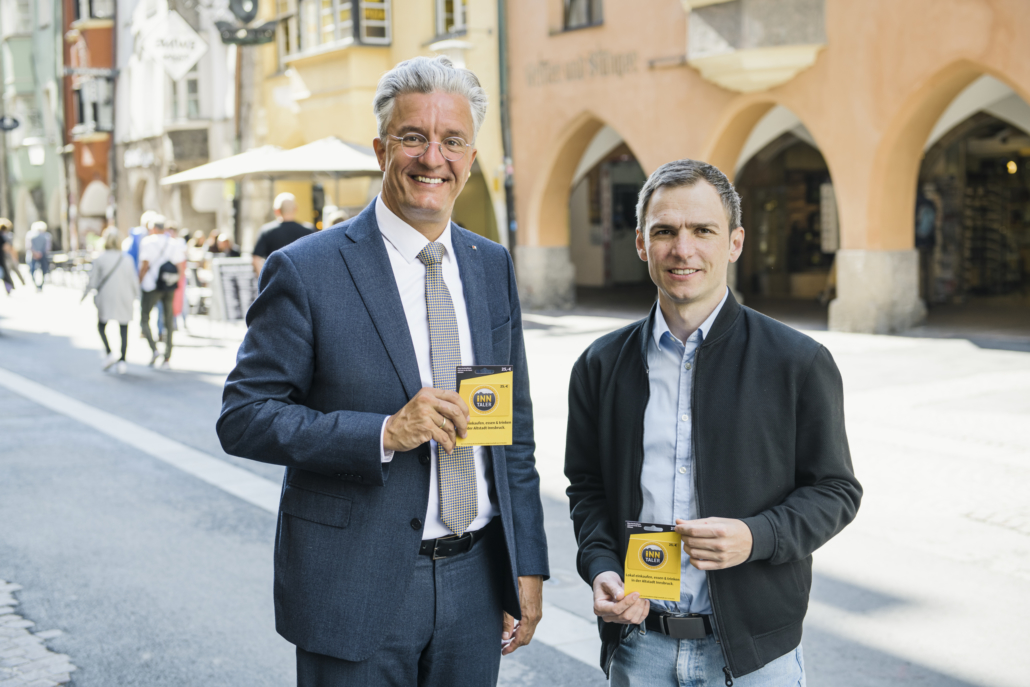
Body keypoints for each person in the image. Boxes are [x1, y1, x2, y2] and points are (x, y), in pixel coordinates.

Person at [216, 55, 548, 686]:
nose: (433, 158)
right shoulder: (306, 268)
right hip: (353, 582)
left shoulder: (489, 264)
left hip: (476, 579)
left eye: (452, 141)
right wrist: (384, 432)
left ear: (471, 157)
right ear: (381, 149)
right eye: (413, 138)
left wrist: (526, 563)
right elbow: (244, 417)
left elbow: (515, 428)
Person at [564, 159, 862, 685]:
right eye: (665, 231)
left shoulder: (798, 362)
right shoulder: (599, 365)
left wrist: (757, 536)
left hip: (752, 659)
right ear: (641, 243)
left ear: (735, 242)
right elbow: (587, 489)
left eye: (703, 230)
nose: (683, 249)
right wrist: (602, 567)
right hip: (640, 649)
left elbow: (836, 490)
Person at [85, 227, 139, 374]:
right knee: (124, 328)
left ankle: (109, 353)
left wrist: (85, 294)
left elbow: (93, 280)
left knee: (102, 325)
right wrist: (137, 296)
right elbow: (134, 281)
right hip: (124, 297)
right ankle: (122, 360)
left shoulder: (101, 258)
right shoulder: (127, 259)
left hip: (106, 296)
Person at [138, 215, 186, 370]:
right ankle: (167, 356)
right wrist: (176, 282)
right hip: (168, 285)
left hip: (151, 285)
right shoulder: (174, 243)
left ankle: (154, 350)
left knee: (144, 318)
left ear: (152, 228)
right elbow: (180, 267)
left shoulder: (147, 242)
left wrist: (138, 281)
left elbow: (144, 265)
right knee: (168, 320)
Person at [251, 192, 314, 275]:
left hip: (275, 282)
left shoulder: (266, 231)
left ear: (276, 210)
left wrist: (263, 281)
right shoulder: (308, 231)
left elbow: (256, 259)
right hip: (302, 281)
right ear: (295, 209)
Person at [25, 221, 52, 292]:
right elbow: (47, 248)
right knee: (43, 270)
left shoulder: (30, 235)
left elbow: (28, 246)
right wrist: (40, 253)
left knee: (32, 270)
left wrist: (35, 253)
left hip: (34, 255)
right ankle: (40, 285)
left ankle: (37, 285)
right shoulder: (46, 236)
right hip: (41, 255)